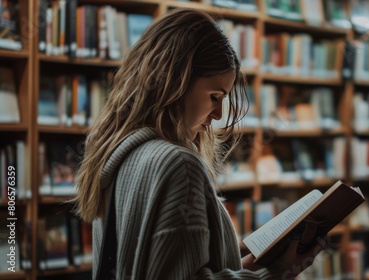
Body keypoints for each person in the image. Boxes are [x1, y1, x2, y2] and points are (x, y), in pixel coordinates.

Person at [74, 8, 325, 280]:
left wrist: (246, 269)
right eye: (215, 97)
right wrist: (276, 272)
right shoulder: (178, 164)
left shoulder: (116, 152)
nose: (218, 114)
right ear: (175, 82)